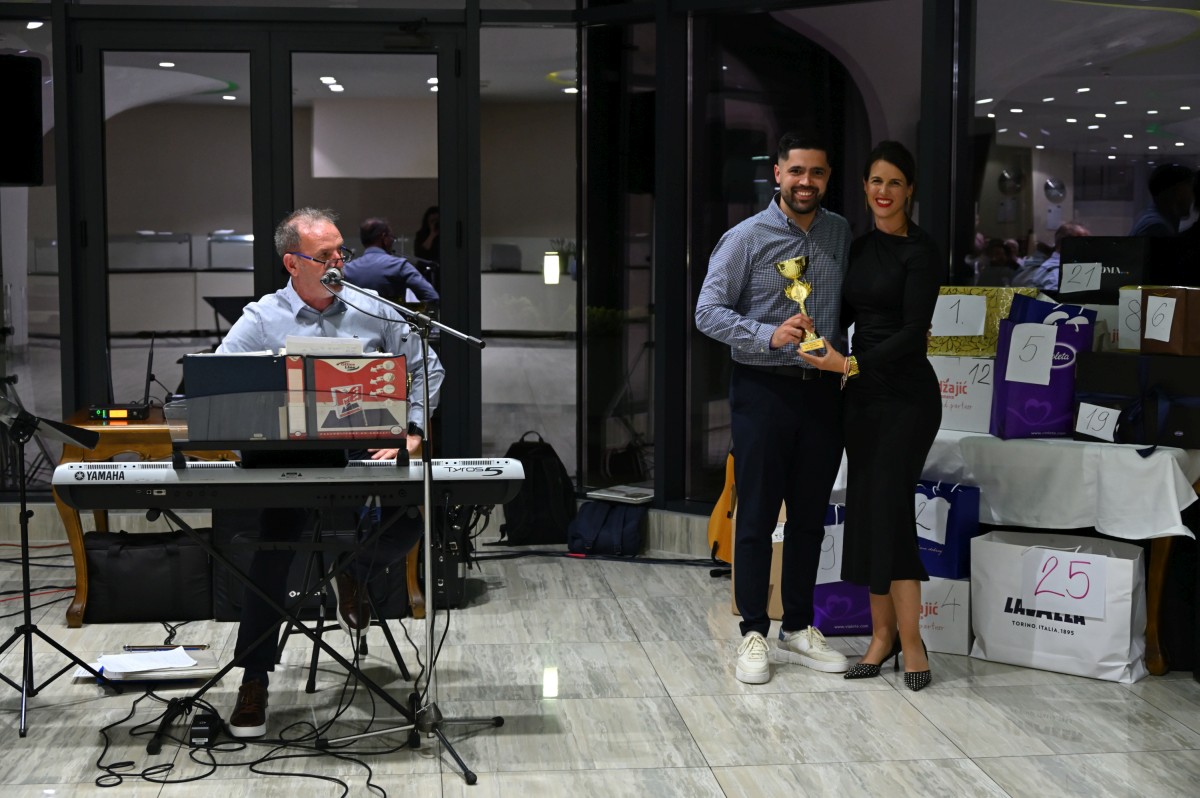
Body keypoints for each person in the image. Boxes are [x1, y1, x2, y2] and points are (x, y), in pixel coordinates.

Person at [216, 207, 444, 738]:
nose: (339, 261)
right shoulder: (262, 318)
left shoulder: (373, 307)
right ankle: (254, 679)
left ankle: (353, 571)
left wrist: (412, 430)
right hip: (293, 459)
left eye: (341, 251)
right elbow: (221, 378)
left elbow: (428, 366)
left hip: (367, 449)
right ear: (293, 263)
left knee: (412, 519)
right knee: (273, 552)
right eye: (326, 255)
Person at [695, 130, 851, 684]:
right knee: (758, 514)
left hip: (823, 393)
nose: (806, 182)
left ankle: (800, 626)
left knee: (810, 517)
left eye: (817, 172)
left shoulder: (839, 233)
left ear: (827, 178)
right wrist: (768, 334)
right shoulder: (745, 238)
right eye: (797, 171)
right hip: (763, 389)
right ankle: (754, 631)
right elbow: (706, 311)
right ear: (778, 173)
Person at [797, 140, 941, 692]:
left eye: (895, 183)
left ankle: (912, 642)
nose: (884, 192)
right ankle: (881, 637)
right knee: (868, 514)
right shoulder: (857, 249)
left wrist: (850, 363)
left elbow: (913, 332)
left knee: (892, 513)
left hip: (905, 397)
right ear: (863, 187)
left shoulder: (921, 251)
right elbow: (842, 312)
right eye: (876, 181)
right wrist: (807, 324)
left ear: (910, 191)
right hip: (860, 398)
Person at [342, 217, 440, 304]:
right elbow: (432, 297)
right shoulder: (399, 265)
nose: (392, 241)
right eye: (392, 237)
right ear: (384, 237)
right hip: (394, 319)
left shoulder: (348, 269)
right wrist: (407, 311)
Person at [1012, 221, 1089, 290]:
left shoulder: (1069, 267)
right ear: (1068, 244)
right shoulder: (1055, 271)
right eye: (1082, 242)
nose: (1087, 247)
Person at [1129, 163, 1195, 237]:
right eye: (1189, 189)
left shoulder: (1154, 221)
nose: (1192, 197)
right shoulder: (1156, 228)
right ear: (1175, 192)